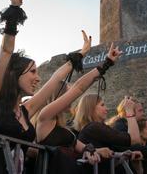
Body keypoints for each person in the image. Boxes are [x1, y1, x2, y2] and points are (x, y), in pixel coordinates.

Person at [0, 0, 91, 174]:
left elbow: (56, 78)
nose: (38, 78)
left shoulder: (26, 110)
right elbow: (6, 51)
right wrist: (15, 6)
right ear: (14, 74)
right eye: (32, 71)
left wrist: (81, 54)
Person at [35, 34, 119, 173]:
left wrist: (96, 151)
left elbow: (82, 147)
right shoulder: (45, 117)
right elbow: (79, 87)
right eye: (67, 94)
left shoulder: (61, 127)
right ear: (59, 97)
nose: (72, 98)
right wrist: (106, 63)